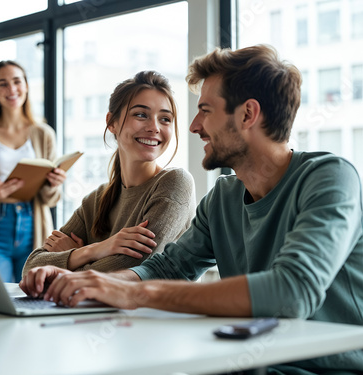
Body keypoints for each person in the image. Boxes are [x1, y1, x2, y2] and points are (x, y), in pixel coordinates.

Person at [20, 45, 363, 374]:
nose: (194, 126)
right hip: (247, 363)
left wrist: (132, 291)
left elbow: (292, 292)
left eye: (206, 111)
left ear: (248, 114)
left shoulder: (329, 178)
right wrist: (85, 281)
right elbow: (168, 267)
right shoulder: (222, 198)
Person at [21, 71, 196, 276]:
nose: (154, 127)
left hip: (154, 309)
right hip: (96, 308)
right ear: (111, 122)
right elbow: (31, 268)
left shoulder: (175, 183)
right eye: (141, 115)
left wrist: (71, 257)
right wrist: (97, 249)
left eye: (165, 119)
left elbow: (126, 271)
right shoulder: (95, 201)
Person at [0, 60, 66, 283]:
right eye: (3, 84)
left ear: (27, 86)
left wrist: (53, 184)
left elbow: (50, 200)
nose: (11, 89)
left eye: (17, 81)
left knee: (34, 291)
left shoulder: (44, 134)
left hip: (34, 223)